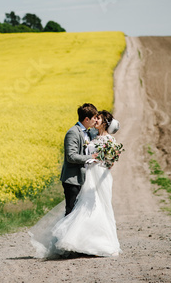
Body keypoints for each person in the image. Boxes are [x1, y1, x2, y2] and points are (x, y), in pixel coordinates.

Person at [29, 110, 122, 259]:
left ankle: (103, 243)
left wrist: (106, 162)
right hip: (88, 175)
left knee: (101, 206)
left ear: (105, 122)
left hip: (100, 175)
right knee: (85, 206)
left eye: (98, 118)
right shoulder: (92, 135)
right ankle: (84, 243)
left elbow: (112, 159)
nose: (96, 120)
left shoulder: (109, 140)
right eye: (95, 118)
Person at [60, 103, 99, 217]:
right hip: (73, 179)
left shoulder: (89, 132)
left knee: (81, 214)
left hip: (83, 178)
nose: (95, 120)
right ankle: (65, 235)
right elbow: (71, 156)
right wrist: (90, 158)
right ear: (86, 119)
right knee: (71, 212)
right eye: (94, 118)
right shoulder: (73, 132)